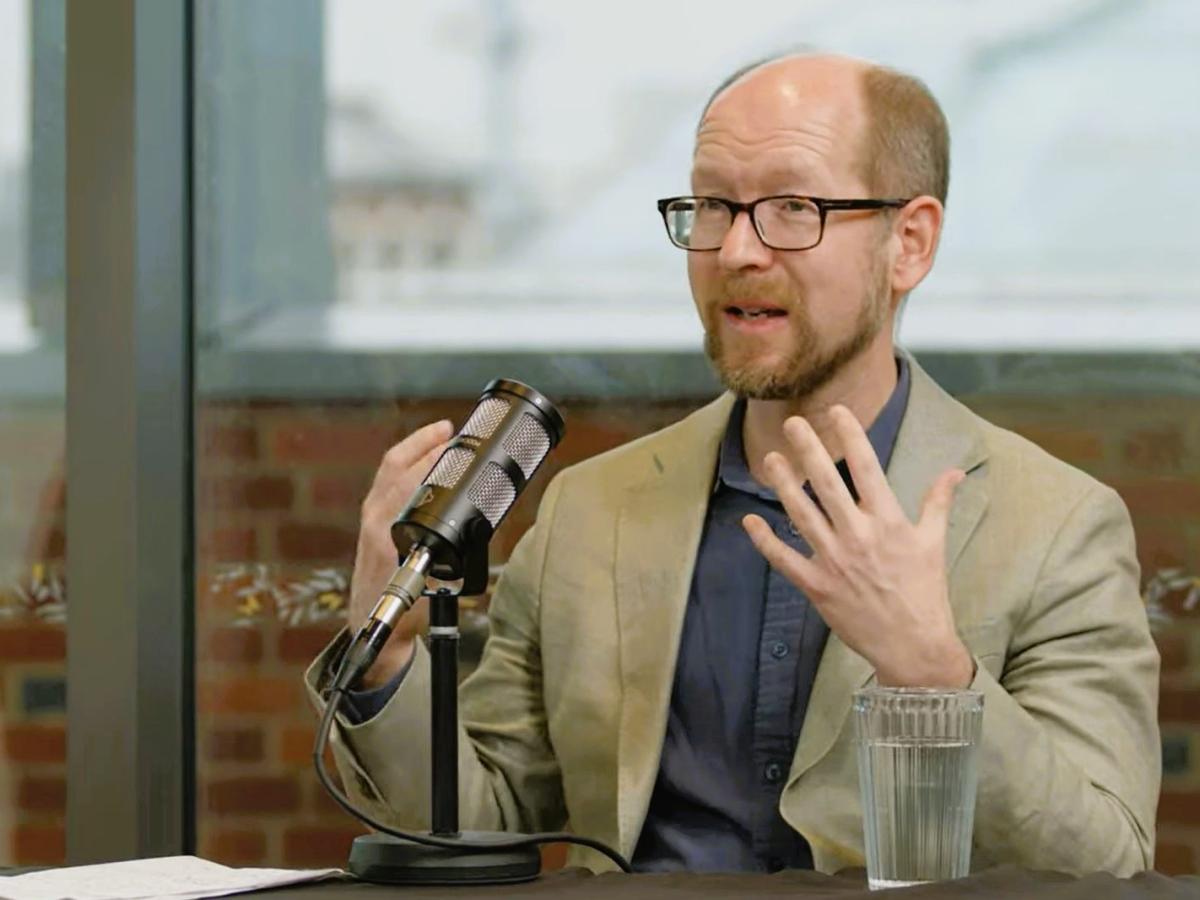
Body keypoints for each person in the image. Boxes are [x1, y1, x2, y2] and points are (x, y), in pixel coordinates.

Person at [305, 52, 1160, 876]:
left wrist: (937, 674)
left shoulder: (1054, 524)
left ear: (910, 242)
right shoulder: (591, 512)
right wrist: (388, 657)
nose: (738, 251)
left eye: (793, 207)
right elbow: (478, 825)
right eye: (712, 206)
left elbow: (1107, 863)